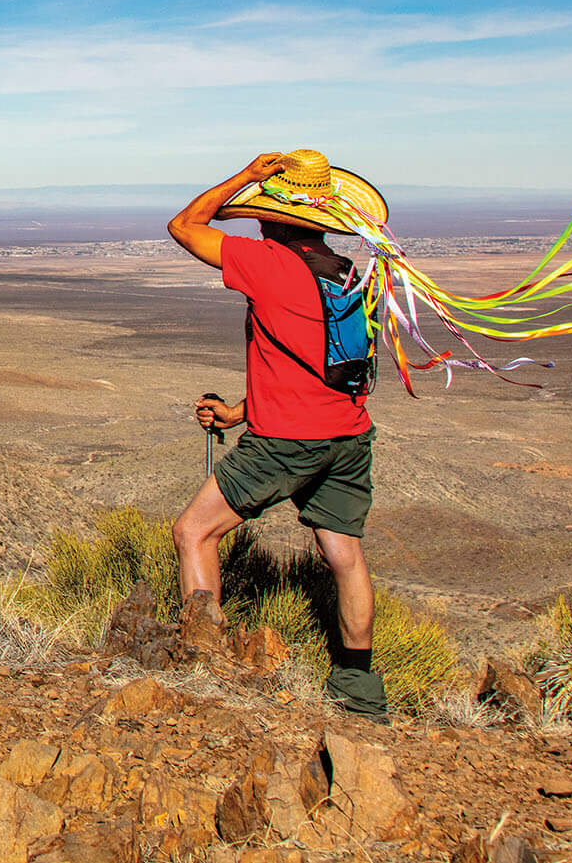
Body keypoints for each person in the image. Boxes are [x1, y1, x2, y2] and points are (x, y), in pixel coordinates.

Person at [165, 149, 390, 719]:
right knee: (343, 553)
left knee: (194, 531)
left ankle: (204, 664)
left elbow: (184, 227)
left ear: (271, 216)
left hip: (287, 441)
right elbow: (325, 362)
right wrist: (239, 411)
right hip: (348, 436)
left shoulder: (269, 263)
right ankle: (360, 690)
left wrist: (246, 176)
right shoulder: (351, 275)